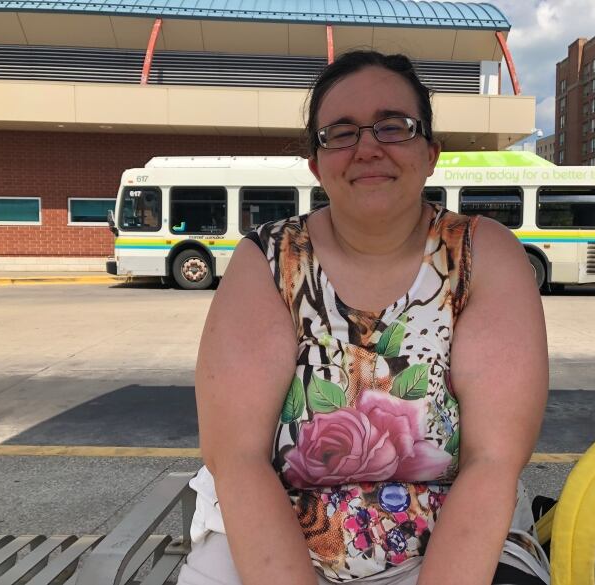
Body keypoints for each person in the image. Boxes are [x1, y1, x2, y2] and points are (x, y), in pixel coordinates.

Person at [178, 50, 549, 585]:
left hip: (457, 537)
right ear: (316, 165)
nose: (368, 147)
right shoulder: (267, 259)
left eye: (393, 127)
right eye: (341, 132)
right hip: (269, 540)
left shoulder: (482, 254)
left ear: (430, 153)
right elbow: (236, 458)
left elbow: (493, 460)